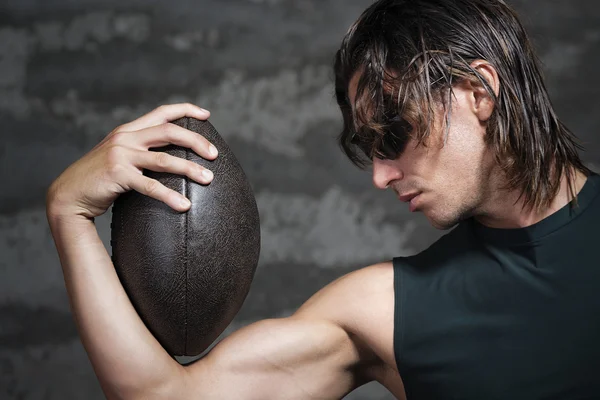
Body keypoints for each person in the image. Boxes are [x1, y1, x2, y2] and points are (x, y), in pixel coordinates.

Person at [45, 0, 600, 399]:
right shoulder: (385, 311)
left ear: (478, 93)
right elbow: (166, 396)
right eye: (369, 149)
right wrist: (68, 212)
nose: (380, 176)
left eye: (392, 134)